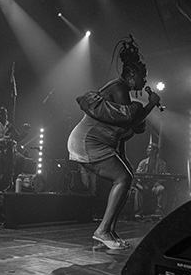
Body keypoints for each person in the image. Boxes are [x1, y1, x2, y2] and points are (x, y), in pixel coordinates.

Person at [67, 38, 161, 250]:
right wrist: (151, 106)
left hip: (98, 143)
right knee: (123, 178)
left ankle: (107, 232)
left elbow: (120, 132)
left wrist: (124, 158)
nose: (144, 81)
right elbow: (130, 120)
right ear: (130, 75)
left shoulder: (122, 90)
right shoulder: (119, 88)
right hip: (87, 140)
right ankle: (102, 230)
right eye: (142, 76)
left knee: (126, 177)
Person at [0, 105, 31, 190]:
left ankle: (13, 181)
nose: (5, 116)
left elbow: (17, 138)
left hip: (9, 150)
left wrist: (26, 132)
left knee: (21, 160)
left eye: (6, 114)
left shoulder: (9, 126)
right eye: (2, 113)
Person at [133, 142, 168, 218]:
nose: (147, 150)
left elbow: (165, 177)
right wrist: (142, 182)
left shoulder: (162, 164)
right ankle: (138, 212)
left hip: (155, 184)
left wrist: (158, 182)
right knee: (138, 190)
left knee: (162, 189)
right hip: (144, 184)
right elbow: (137, 175)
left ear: (155, 151)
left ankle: (159, 212)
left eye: (149, 148)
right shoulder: (142, 163)